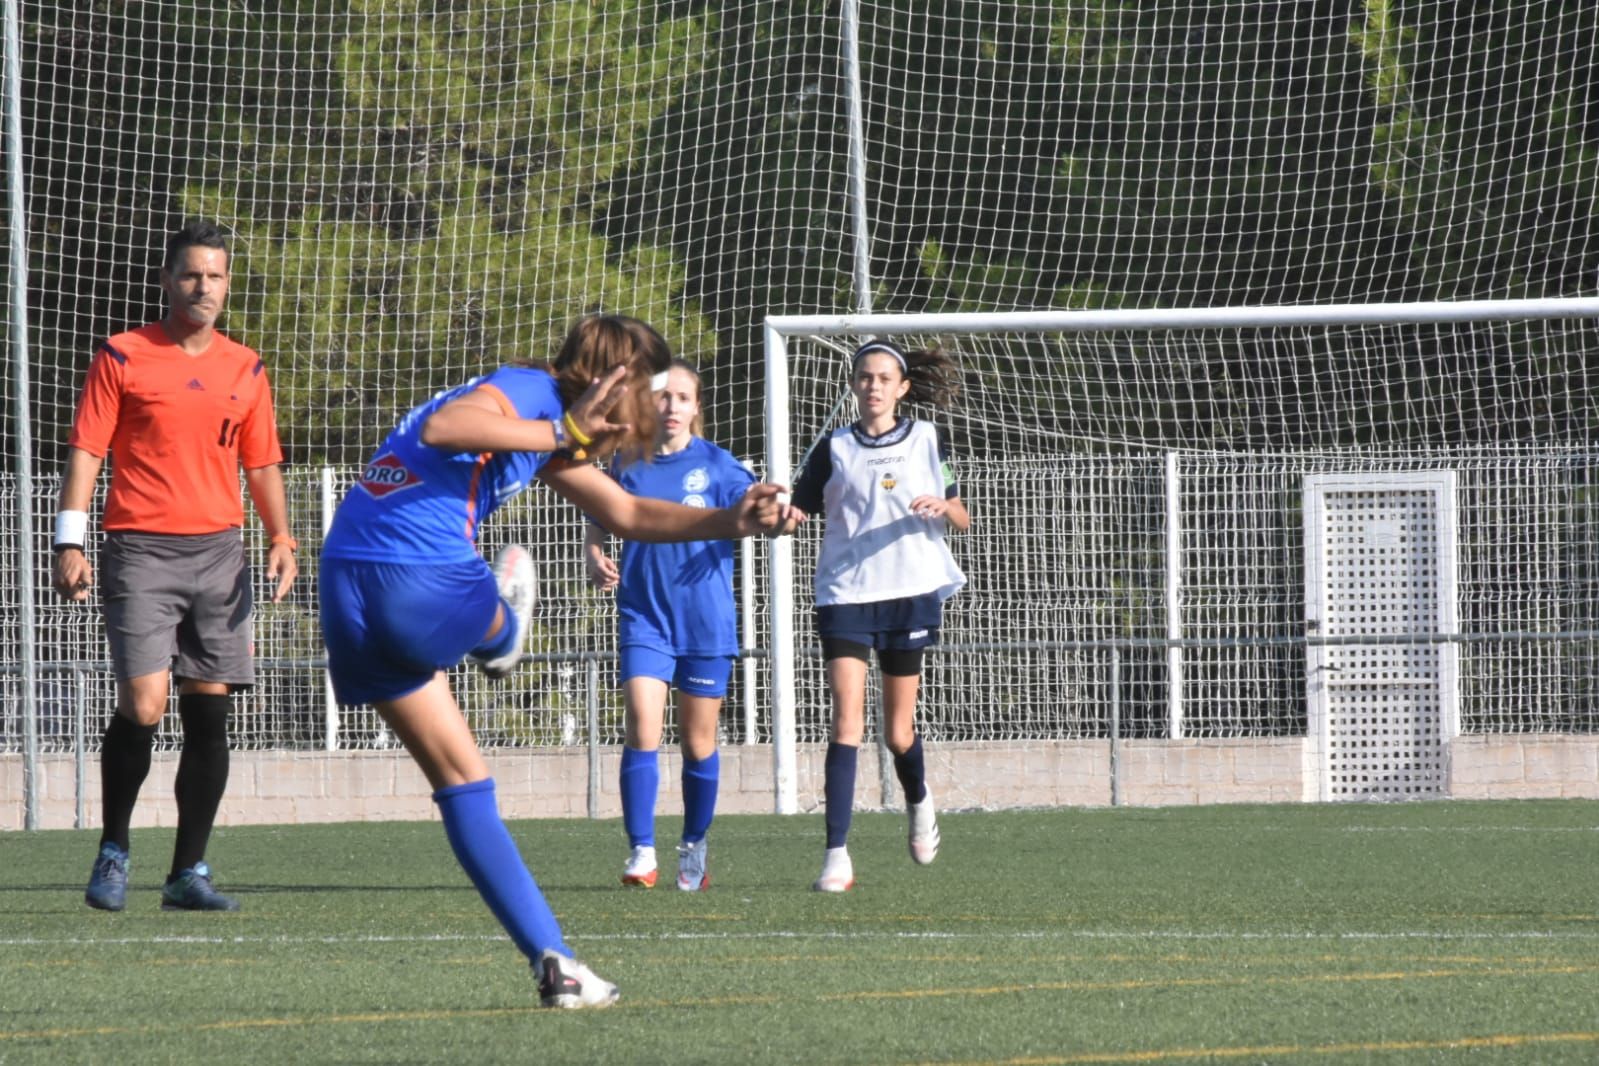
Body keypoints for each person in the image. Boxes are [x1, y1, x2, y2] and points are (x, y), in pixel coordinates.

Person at [318, 314, 786, 1009]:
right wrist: (561, 434)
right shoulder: (528, 393)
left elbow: (626, 515)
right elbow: (446, 429)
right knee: (490, 619)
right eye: (646, 393)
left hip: (347, 583)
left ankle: (556, 965)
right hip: (416, 576)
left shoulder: (546, 427)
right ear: (614, 382)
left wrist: (732, 521)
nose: (651, 413)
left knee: (465, 783)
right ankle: (501, 628)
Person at [52, 219, 300, 913]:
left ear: (227, 283)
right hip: (139, 549)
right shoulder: (124, 356)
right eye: (191, 274)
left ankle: (187, 872)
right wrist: (66, 543)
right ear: (166, 281)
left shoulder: (245, 368)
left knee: (208, 709)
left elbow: (262, 461)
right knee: (144, 703)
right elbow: (87, 452)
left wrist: (282, 537)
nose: (204, 287)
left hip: (220, 553)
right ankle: (114, 849)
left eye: (216, 275)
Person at [775, 338, 969, 892]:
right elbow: (798, 516)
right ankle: (836, 856)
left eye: (885, 377)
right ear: (854, 385)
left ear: (902, 388)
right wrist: (777, 516)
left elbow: (962, 515)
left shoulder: (929, 439)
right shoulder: (833, 447)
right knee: (845, 723)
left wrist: (943, 506)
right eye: (865, 377)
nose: (874, 385)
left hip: (909, 592)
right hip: (845, 594)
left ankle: (919, 799)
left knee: (897, 732)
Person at [582, 359, 756, 892]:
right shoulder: (628, 462)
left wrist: (772, 509)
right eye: (662, 396)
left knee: (698, 743)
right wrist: (593, 549)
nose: (671, 406)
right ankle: (640, 851)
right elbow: (598, 506)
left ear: (696, 407)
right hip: (644, 615)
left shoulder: (722, 466)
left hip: (705, 623)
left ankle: (694, 846)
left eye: (682, 397)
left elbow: (755, 509)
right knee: (641, 724)